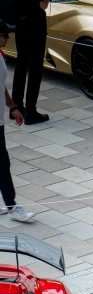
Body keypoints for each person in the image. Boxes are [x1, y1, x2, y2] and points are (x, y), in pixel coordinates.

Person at [11, 0, 51, 125]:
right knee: (35, 68)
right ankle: (31, 111)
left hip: (19, 26)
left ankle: (16, 107)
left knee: (20, 65)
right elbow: (43, 4)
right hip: (35, 27)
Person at [0, 21, 34, 222]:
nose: (9, 38)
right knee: (2, 163)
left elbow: (1, 86)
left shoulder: (1, 57)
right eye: (5, 34)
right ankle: (12, 207)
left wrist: (12, 107)